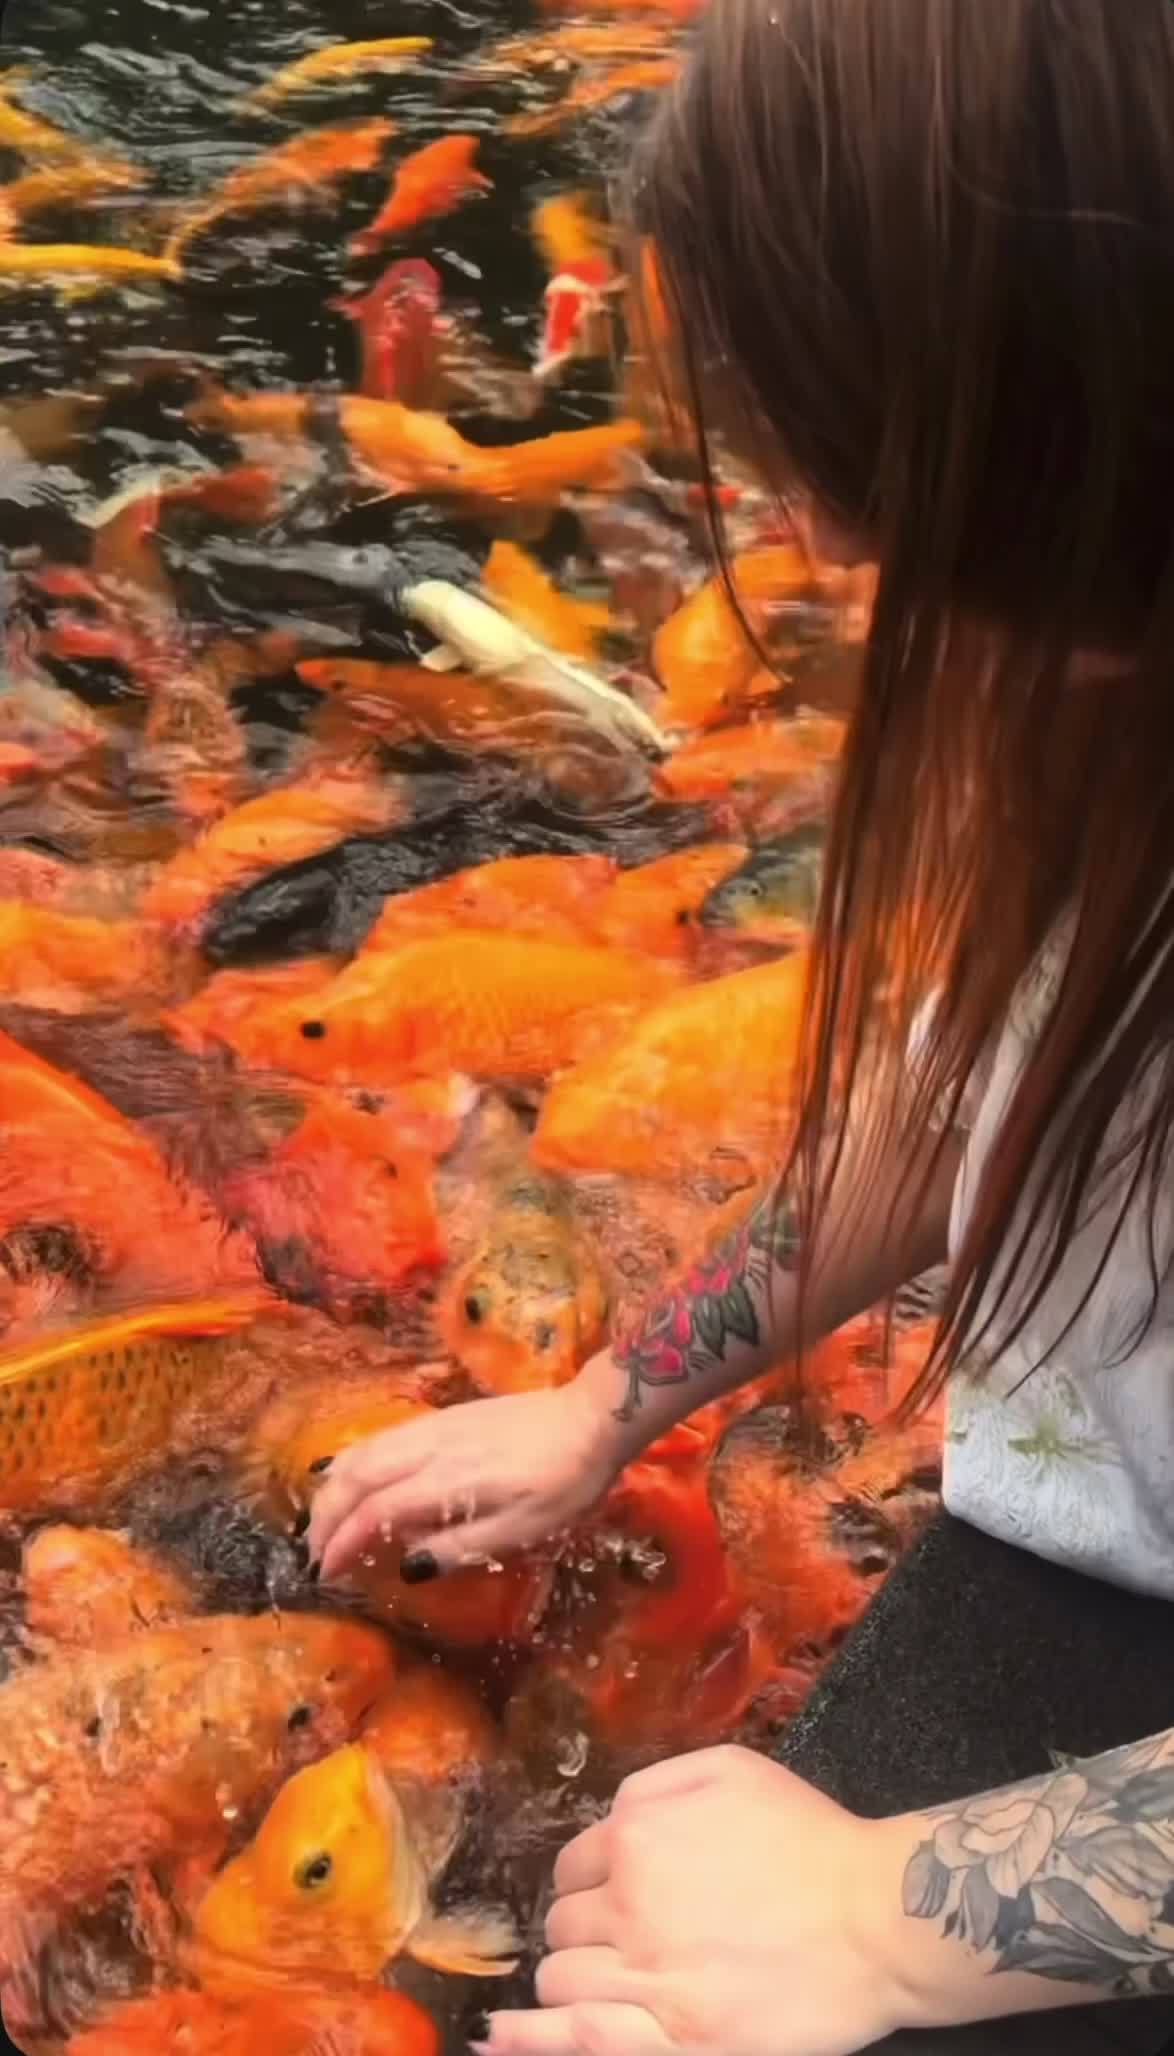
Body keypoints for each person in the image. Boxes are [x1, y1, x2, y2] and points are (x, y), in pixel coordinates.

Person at [308, 0, 1174, 2047]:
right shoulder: (1096, 703)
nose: (823, 540)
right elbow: (976, 1098)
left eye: (863, 451)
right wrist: (614, 1399)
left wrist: (881, 1917)